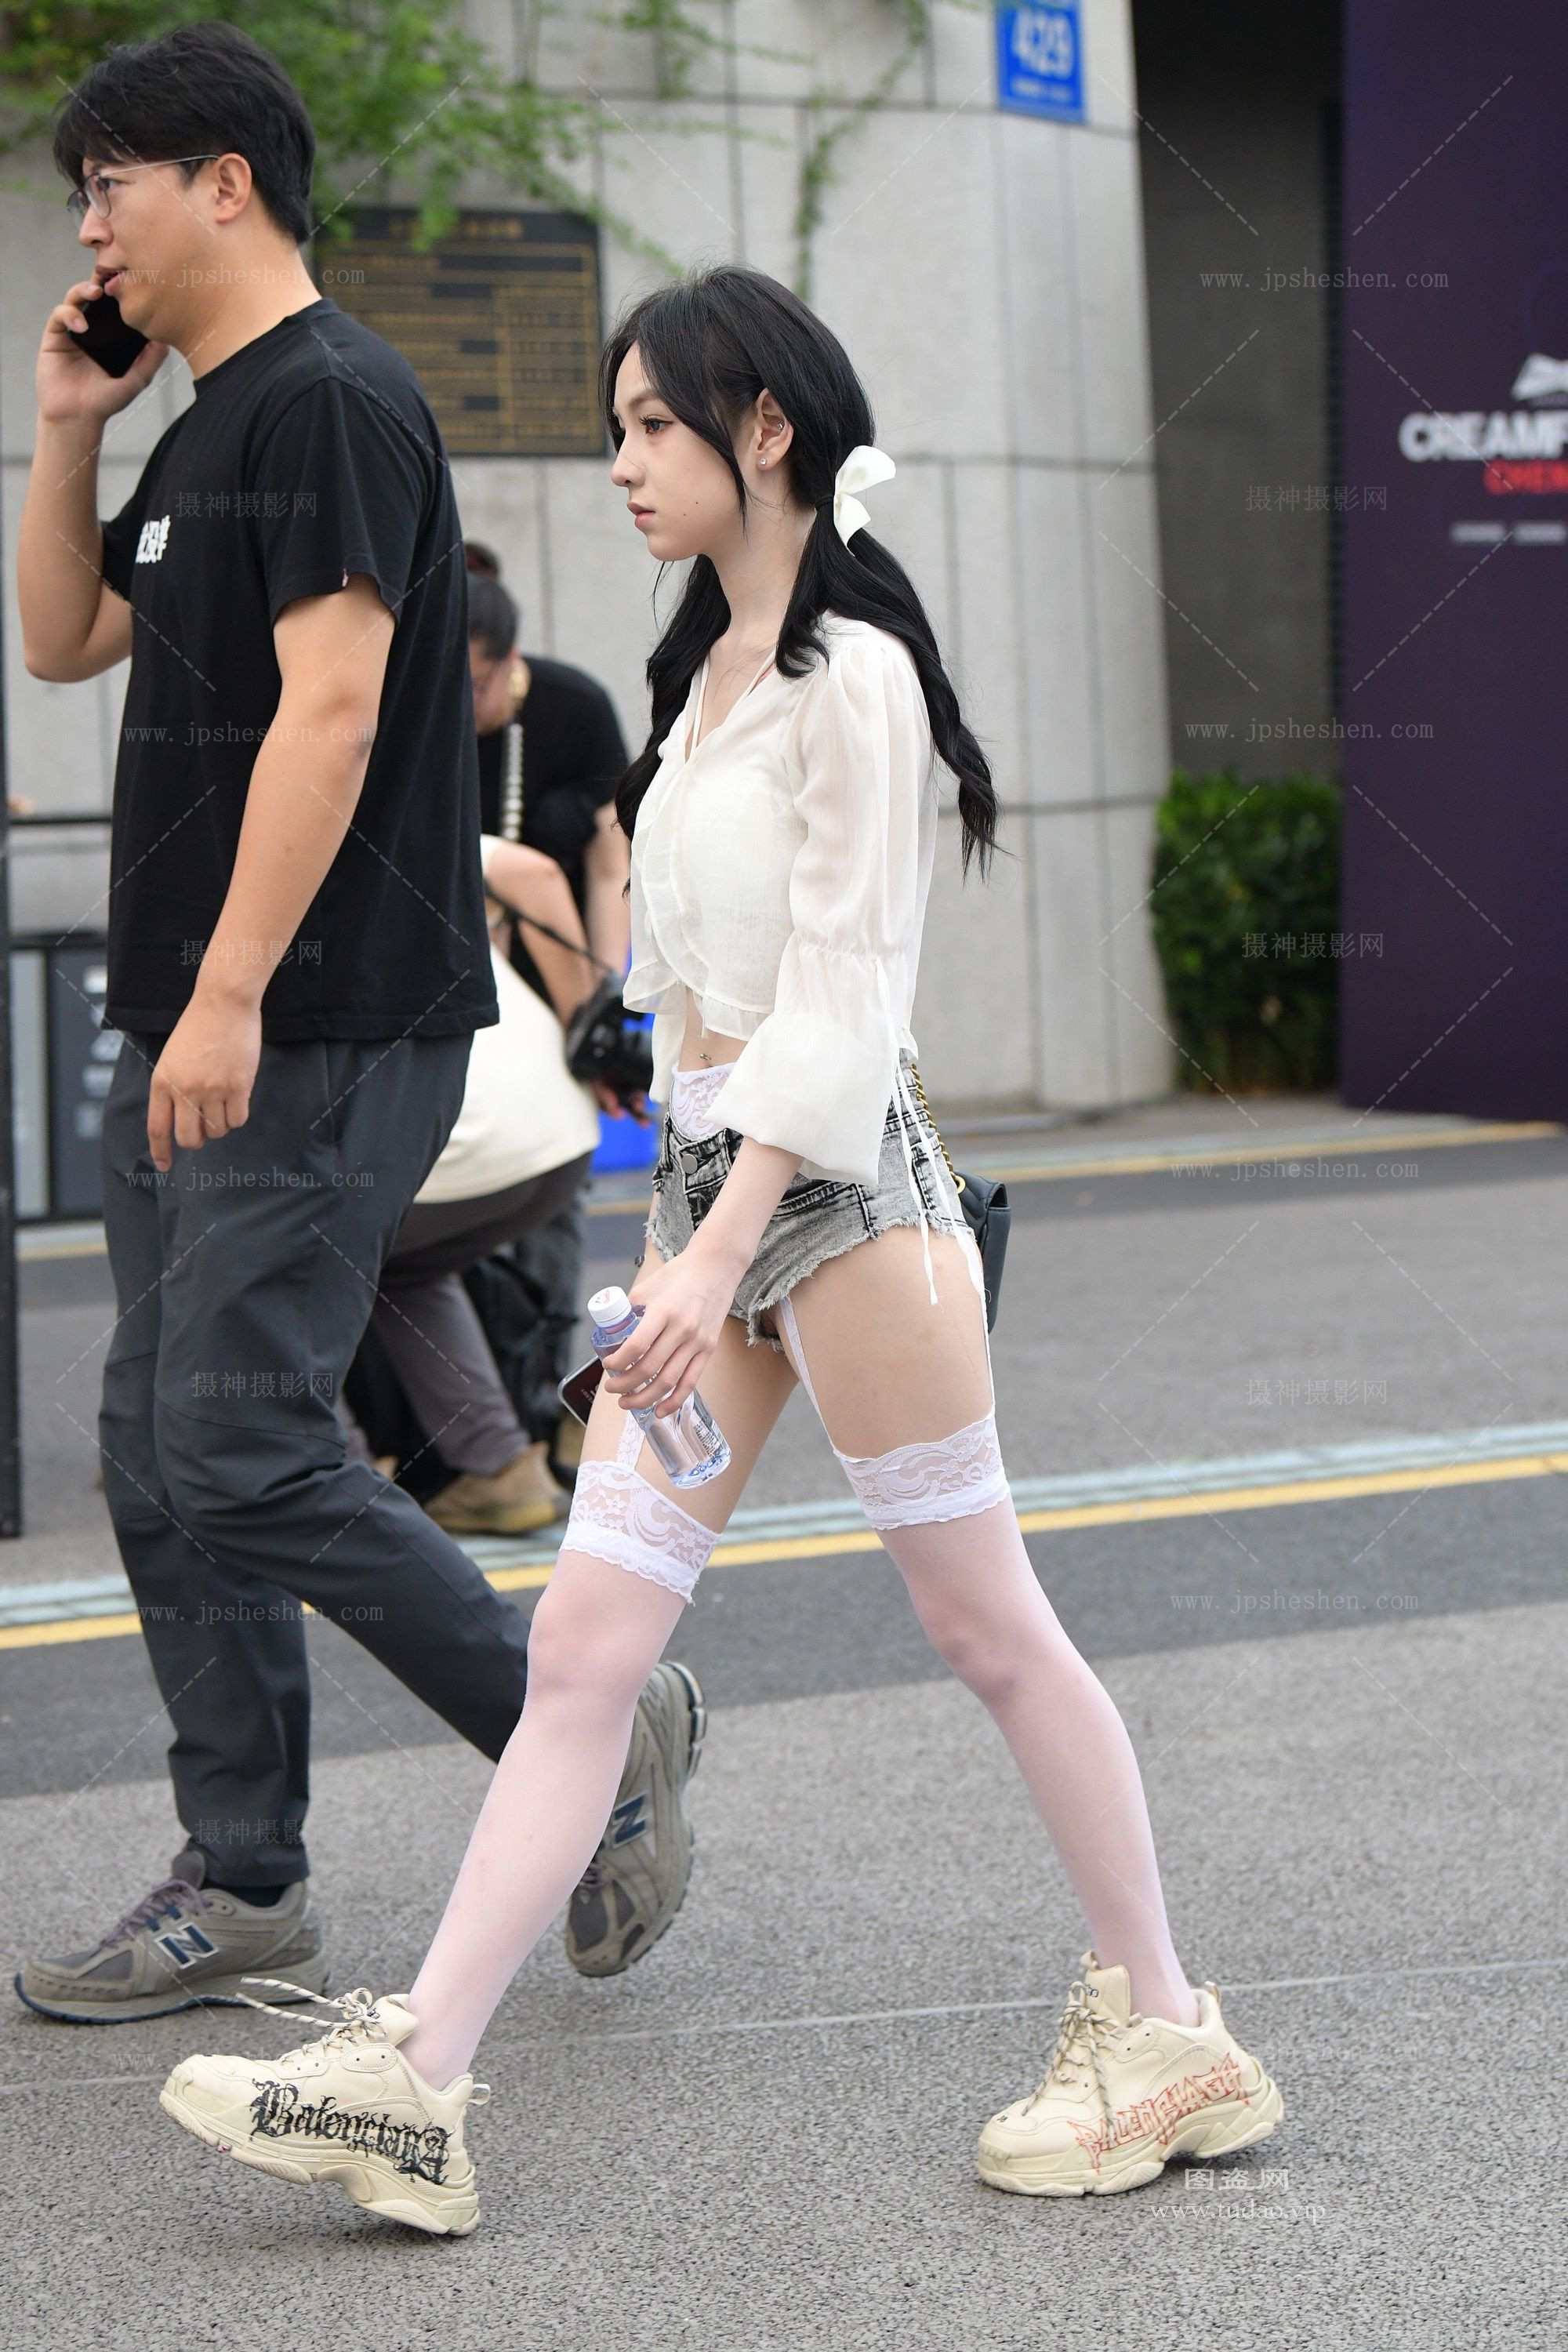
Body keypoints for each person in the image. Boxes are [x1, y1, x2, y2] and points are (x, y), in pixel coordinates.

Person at [159, 265, 1282, 2236]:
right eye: (615, 429)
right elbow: (690, 1010)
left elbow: (841, 1011)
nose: (620, 463)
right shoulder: (709, 678)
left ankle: (1170, 2026)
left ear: (764, 427)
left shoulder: (855, 674)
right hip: (710, 1212)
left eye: (650, 426)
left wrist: (712, 1247)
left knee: (985, 1628)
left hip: (843, 1216)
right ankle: (417, 2080)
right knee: (584, 1648)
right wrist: (668, 1231)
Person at [13, 22, 700, 2023]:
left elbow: (328, 710)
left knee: (233, 1436)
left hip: (312, 1022)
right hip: (202, 1020)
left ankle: (594, 1730)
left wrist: (229, 991)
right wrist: (68, 423)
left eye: (109, 186)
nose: (90, 227)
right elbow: (60, 637)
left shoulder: (329, 400)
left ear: (221, 181)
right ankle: (244, 1880)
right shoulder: (205, 421)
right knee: (162, 1446)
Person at [464, 551, 641, 1474]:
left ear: (511, 658)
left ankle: (543, 1406)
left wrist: (602, 997)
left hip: (555, 979)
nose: (463, 703)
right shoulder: (416, 709)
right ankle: (476, 1423)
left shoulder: (573, 708)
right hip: (460, 984)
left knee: (551, 1193)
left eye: (476, 684)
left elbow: (608, 867)